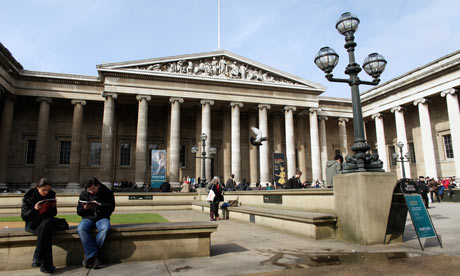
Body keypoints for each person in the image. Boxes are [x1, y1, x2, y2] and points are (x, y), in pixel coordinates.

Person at [77, 177, 115, 269]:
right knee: (81, 229)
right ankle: (94, 256)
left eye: (93, 189)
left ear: (98, 186)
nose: (91, 191)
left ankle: (89, 255)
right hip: (88, 218)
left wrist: (100, 205)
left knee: (105, 229)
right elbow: (79, 211)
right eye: (89, 190)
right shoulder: (84, 194)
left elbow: (111, 207)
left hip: (102, 217)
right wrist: (85, 208)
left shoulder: (107, 193)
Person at [21, 178, 57, 274]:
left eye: (48, 190)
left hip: (46, 221)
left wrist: (52, 207)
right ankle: (47, 265)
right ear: (38, 188)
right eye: (44, 190)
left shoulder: (51, 195)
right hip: (34, 224)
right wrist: (35, 209)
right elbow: (24, 216)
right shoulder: (29, 197)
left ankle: (38, 257)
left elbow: (54, 214)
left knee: (45, 226)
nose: (46, 192)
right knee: (45, 232)